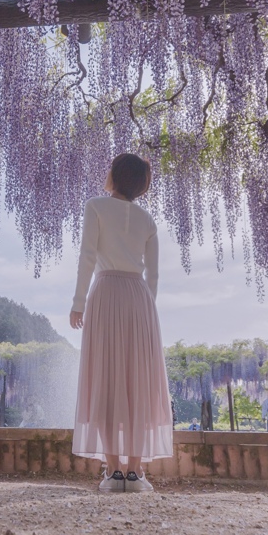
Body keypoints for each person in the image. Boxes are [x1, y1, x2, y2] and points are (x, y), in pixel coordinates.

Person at [70, 152, 173, 495]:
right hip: (140, 299)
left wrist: (77, 303)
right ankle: (135, 470)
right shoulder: (147, 220)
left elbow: (87, 257)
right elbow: (155, 274)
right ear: (141, 185)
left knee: (106, 376)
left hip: (106, 291)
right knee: (137, 380)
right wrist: (146, 312)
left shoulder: (95, 206)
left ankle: (112, 471)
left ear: (113, 175)